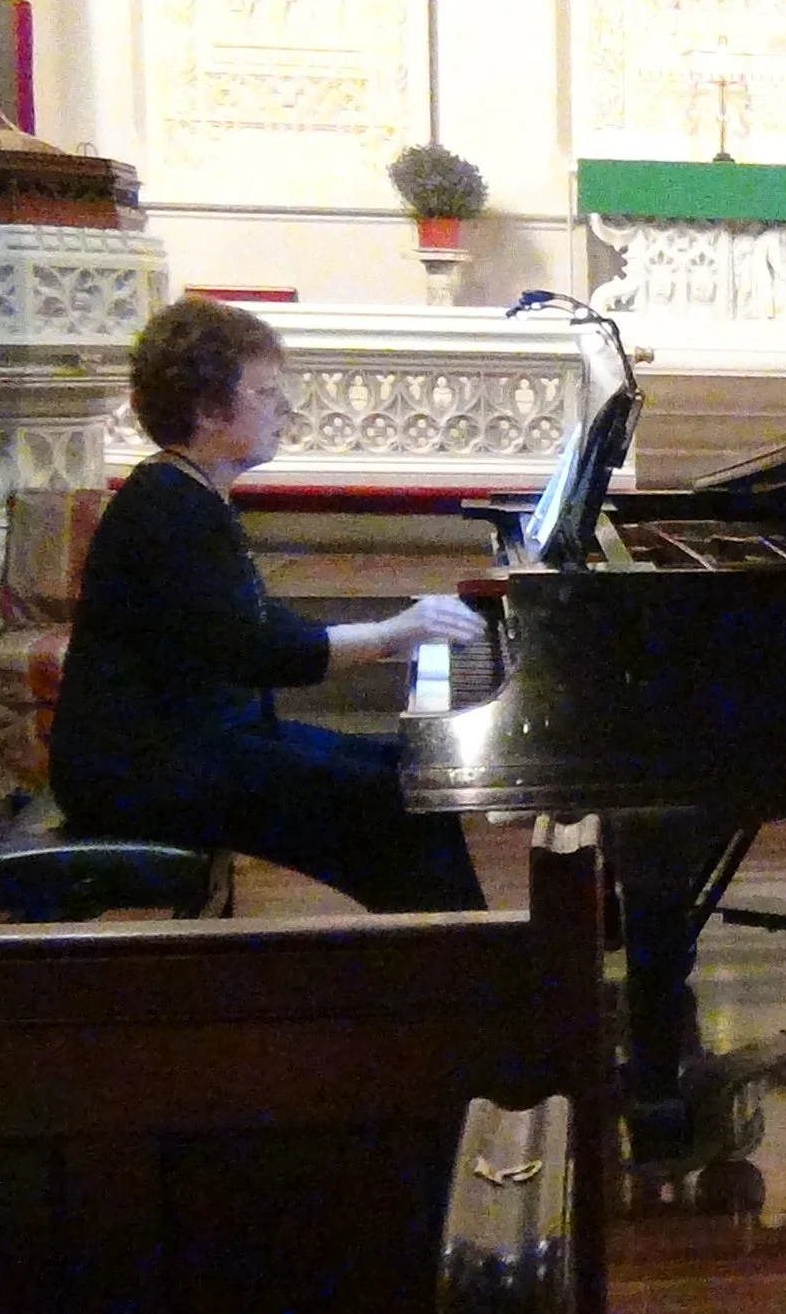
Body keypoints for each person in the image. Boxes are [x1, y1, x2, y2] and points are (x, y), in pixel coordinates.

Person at [48, 295, 492, 913]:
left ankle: (460, 969)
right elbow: (260, 650)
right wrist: (396, 632)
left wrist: (391, 629)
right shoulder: (171, 508)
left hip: (190, 742)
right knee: (392, 799)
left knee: (408, 773)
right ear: (207, 408)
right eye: (264, 393)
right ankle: (465, 976)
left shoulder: (187, 494)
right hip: (139, 769)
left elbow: (250, 627)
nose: (284, 408)